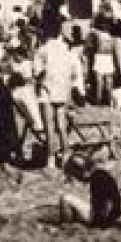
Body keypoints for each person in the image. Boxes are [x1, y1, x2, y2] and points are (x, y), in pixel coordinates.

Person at [34, 21, 81, 165]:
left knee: (49, 126)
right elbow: (75, 73)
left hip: (47, 90)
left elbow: (37, 72)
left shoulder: (42, 50)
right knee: (61, 125)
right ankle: (66, 154)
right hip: (62, 90)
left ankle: (51, 157)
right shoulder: (68, 52)